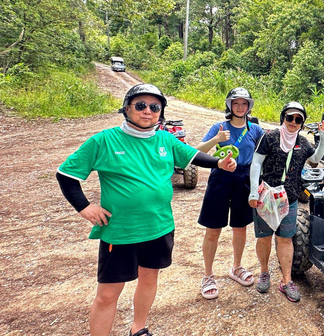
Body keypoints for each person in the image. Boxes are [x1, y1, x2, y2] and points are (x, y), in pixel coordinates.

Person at [56, 83, 237, 336]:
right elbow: (66, 174)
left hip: (159, 226)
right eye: (140, 105)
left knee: (149, 278)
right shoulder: (104, 141)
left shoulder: (165, 138)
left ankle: (138, 328)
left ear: (160, 112)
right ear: (127, 108)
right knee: (108, 294)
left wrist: (219, 163)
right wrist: (84, 207)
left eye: (155, 107)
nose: (148, 111)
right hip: (120, 232)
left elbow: (192, 156)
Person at [248, 101, 324, 302]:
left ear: (302, 122)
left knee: (286, 239)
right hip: (266, 195)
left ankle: (286, 280)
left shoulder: (302, 142)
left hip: (290, 197)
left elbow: (315, 158)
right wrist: (253, 192)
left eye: (298, 119)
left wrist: (323, 137)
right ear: (283, 117)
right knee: (264, 237)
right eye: (289, 117)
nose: (293, 122)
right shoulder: (270, 137)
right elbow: (256, 163)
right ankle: (264, 272)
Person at [195, 87, 264, 299]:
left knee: (240, 227)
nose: (240, 107)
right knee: (213, 229)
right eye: (236, 103)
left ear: (249, 106)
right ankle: (208, 275)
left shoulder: (256, 130)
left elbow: (264, 156)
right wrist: (216, 139)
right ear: (229, 105)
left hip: (244, 179)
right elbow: (198, 151)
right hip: (220, 178)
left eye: (244, 103)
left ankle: (236, 267)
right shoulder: (220, 127)